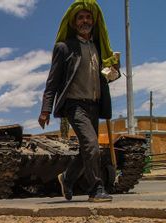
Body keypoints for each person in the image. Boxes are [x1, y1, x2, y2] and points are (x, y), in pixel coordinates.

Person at [38, 0, 119, 202]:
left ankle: (67, 178)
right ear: (74, 23)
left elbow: (109, 76)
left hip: (94, 104)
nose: (85, 20)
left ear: (94, 21)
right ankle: (96, 188)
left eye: (88, 17)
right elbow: (53, 81)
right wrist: (45, 109)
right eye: (81, 17)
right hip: (75, 105)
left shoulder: (99, 48)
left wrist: (114, 70)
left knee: (86, 150)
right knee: (91, 145)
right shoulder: (64, 48)